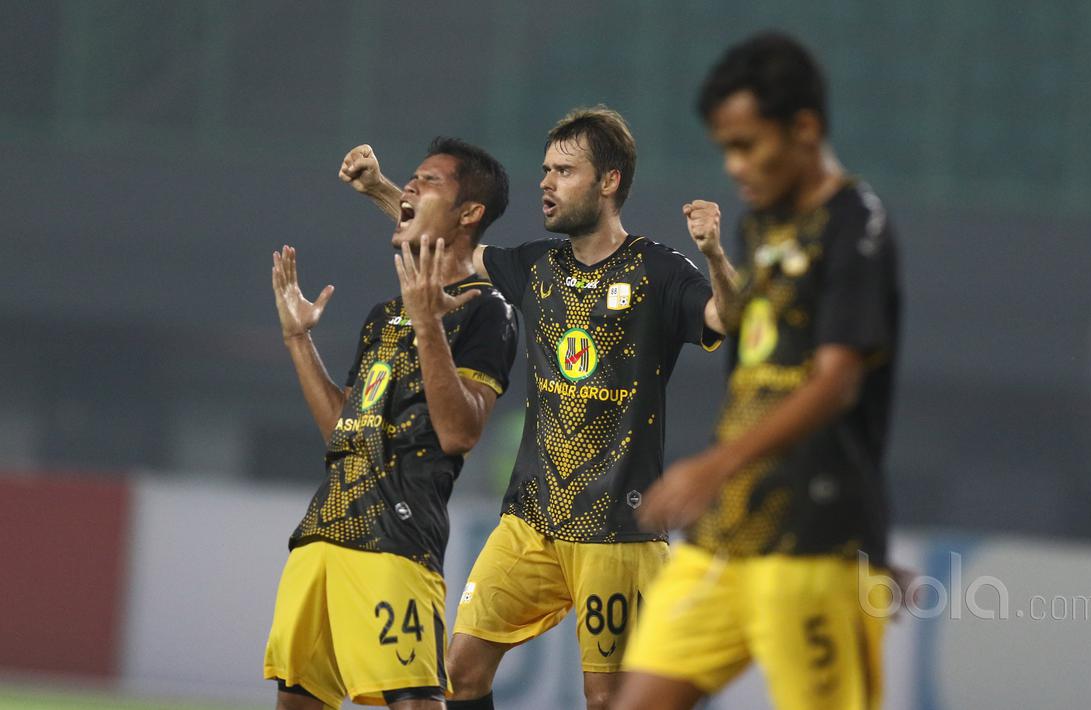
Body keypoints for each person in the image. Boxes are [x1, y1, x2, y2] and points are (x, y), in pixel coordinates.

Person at [339, 106, 731, 710]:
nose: (546, 183)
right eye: (546, 169)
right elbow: (446, 237)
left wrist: (714, 257)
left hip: (617, 530)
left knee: (606, 700)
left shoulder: (659, 272)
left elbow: (727, 319)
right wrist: (379, 189)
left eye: (565, 171)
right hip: (531, 520)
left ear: (609, 182)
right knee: (459, 670)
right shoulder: (534, 267)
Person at [614, 33, 903, 710]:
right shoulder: (759, 227)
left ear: (804, 129)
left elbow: (836, 381)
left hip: (815, 543)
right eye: (724, 148)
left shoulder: (854, 224)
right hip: (725, 538)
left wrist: (712, 465)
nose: (734, 166)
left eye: (746, 145)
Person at [264, 137, 519, 710]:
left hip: (397, 537)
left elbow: (461, 434)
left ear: (470, 213)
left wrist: (430, 326)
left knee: (415, 701)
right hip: (323, 533)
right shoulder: (385, 314)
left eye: (428, 182)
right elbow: (341, 431)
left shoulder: (486, 310)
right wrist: (297, 339)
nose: (408, 186)